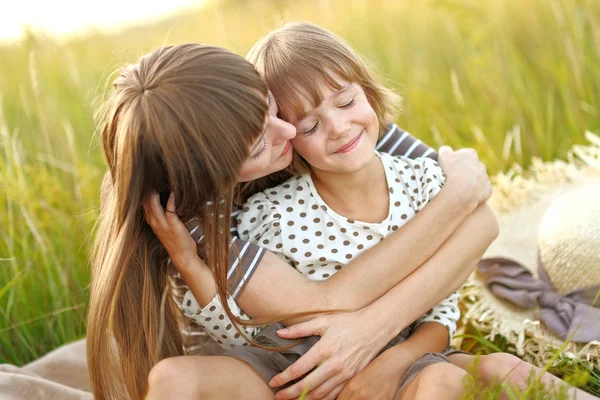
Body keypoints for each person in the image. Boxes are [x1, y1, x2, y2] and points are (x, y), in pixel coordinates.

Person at [147, 23, 596, 400]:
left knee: (483, 373)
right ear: (291, 141)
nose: (340, 127)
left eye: (345, 102)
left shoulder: (423, 183)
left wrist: (390, 359)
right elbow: (244, 331)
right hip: (293, 372)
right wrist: (189, 263)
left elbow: (441, 311)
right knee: (171, 378)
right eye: (308, 125)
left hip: (402, 361)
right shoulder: (269, 212)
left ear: (367, 90)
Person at [89, 40, 493, 400]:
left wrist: (463, 195)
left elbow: (483, 224)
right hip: (265, 364)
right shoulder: (193, 216)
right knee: (173, 378)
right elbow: (322, 307)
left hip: (376, 353)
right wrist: (459, 194)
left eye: (268, 107)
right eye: (261, 143)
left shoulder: (334, 120)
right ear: (217, 176)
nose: (288, 128)